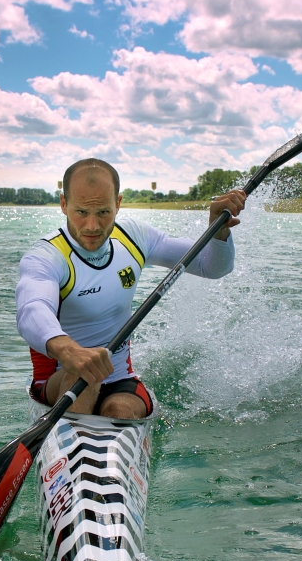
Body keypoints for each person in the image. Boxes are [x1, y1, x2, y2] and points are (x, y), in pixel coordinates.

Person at [15, 157, 245, 419]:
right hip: (58, 381)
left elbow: (211, 267)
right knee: (83, 375)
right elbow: (32, 309)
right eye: (82, 212)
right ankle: (73, 439)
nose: (92, 226)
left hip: (118, 377)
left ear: (118, 203)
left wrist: (219, 232)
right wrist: (69, 350)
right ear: (64, 204)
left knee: (120, 411)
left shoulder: (134, 237)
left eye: (103, 212)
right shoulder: (46, 256)